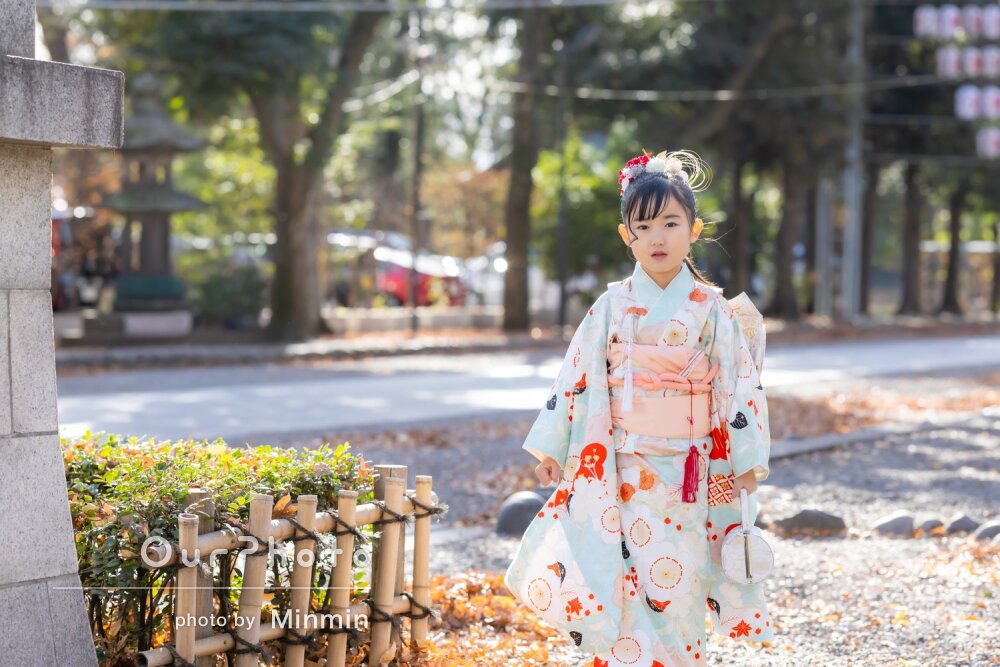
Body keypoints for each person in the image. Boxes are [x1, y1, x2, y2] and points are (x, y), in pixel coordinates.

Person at [504, 149, 774, 666]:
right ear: (626, 235)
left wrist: (748, 458)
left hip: (692, 473)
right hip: (624, 471)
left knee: (682, 580)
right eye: (643, 225)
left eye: (671, 223)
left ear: (694, 230)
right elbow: (577, 376)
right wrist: (554, 445)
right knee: (624, 579)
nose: (657, 237)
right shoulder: (611, 306)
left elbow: (741, 385)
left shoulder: (712, 308)